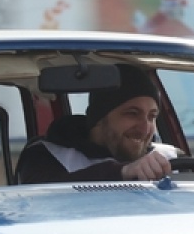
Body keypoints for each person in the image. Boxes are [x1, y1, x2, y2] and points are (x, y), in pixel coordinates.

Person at [17, 65, 175, 183]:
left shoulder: (168, 157)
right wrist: (123, 172)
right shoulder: (48, 155)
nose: (145, 128)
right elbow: (42, 195)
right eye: (132, 114)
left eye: (152, 116)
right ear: (99, 118)